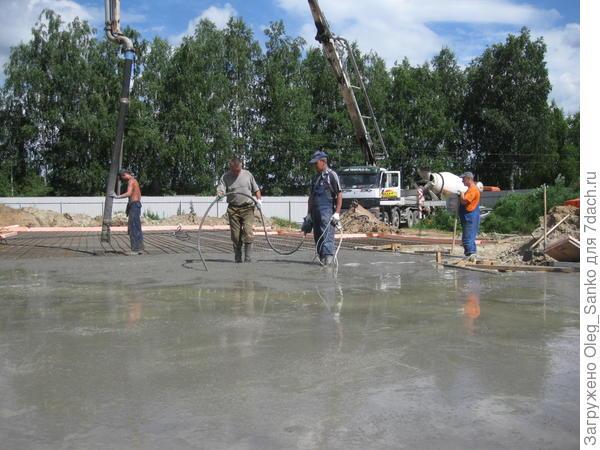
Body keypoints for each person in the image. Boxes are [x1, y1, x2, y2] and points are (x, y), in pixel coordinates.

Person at [217, 158, 262, 263]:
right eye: (234, 170)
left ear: (241, 166)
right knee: (235, 236)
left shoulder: (247, 175)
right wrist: (220, 194)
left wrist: (259, 201)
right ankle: (238, 259)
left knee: (248, 232)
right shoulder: (225, 177)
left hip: (247, 208)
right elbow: (221, 189)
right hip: (233, 209)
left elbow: (256, 189)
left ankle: (248, 258)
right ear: (230, 168)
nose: (236, 172)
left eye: (238, 170)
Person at [305, 151, 342, 266]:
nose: (315, 166)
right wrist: (309, 214)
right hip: (315, 212)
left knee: (327, 237)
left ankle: (328, 264)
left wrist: (337, 213)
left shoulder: (332, 175)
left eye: (316, 163)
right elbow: (311, 197)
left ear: (323, 162)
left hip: (326, 211)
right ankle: (321, 261)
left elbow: (339, 194)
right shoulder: (315, 178)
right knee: (318, 238)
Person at [110, 169, 144, 255]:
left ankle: (135, 249)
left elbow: (129, 193)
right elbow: (136, 195)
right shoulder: (135, 181)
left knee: (133, 227)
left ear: (124, 175)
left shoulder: (131, 181)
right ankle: (139, 248)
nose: (123, 180)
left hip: (134, 205)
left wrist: (117, 196)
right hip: (136, 205)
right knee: (137, 227)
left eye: (122, 178)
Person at [458, 171, 480, 259]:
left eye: (463, 179)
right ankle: (472, 254)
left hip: (470, 216)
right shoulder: (470, 189)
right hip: (469, 216)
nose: (462, 181)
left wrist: (461, 194)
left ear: (469, 179)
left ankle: (470, 255)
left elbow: (464, 201)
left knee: (467, 238)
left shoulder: (473, 190)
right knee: (470, 237)